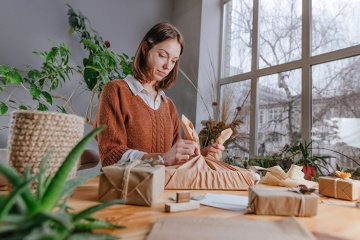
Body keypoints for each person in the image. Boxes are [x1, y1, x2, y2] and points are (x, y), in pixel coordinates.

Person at [94, 22, 224, 167]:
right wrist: (161, 158)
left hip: (162, 189)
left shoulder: (168, 106)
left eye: (174, 61)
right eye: (162, 55)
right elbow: (111, 155)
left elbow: (174, 162)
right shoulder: (116, 91)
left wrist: (200, 156)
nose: (167, 66)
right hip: (124, 188)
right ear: (145, 49)